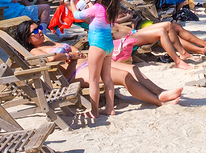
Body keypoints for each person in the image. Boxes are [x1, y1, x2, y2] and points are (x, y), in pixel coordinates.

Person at [13, 20, 183, 107]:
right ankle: (158, 101)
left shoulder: (49, 42)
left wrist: (72, 53)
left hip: (87, 64)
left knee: (132, 68)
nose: (40, 31)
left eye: (39, 28)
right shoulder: (34, 52)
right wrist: (70, 55)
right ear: (27, 39)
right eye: (35, 31)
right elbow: (51, 59)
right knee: (124, 76)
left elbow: (72, 49)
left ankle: (160, 92)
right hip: (75, 74)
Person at [70, 0, 117, 116]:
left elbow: (77, 15)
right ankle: (110, 108)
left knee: (93, 80)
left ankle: (94, 111)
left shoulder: (97, 8)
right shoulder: (112, 7)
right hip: (108, 46)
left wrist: (72, 2)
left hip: (97, 46)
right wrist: (87, 1)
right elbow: (97, 12)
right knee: (107, 78)